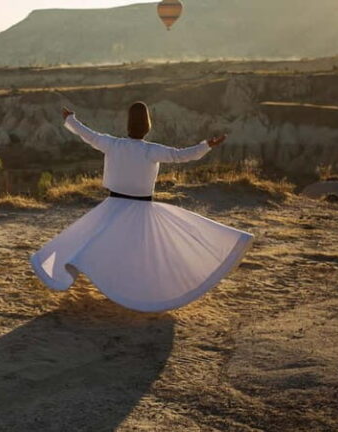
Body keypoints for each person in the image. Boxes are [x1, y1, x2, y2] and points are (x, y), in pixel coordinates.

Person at [30, 102, 253, 313]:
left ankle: (100, 279)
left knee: (95, 245)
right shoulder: (151, 150)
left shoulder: (113, 144)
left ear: (128, 124)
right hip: (141, 210)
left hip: (113, 207)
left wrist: (70, 119)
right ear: (148, 126)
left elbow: (88, 135)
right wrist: (206, 146)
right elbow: (181, 155)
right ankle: (134, 293)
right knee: (141, 255)